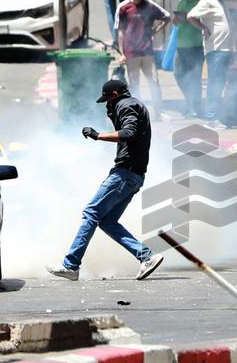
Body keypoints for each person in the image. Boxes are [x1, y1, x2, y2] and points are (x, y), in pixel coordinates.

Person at [48, 79, 164, 282]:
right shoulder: (132, 104)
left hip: (124, 174)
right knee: (107, 221)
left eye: (107, 102)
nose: (108, 108)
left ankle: (71, 265)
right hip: (134, 176)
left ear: (114, 96)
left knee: (91, 212)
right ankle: (146, 257)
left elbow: (129, 132)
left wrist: (98, 135)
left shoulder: (125, 105)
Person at [187, 0, 237, 125]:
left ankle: (216, 116)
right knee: (215, 84)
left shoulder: (220, 2)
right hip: (216, 50)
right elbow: (191, 16)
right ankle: (211, 118)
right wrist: (203, 28)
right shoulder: (208, 0)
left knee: (220, 84)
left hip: (225, 49)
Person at [116, 0, 171, 121]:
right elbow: (121, 32)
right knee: (134, 86)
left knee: (154, 82)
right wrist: (122, 54)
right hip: (131, 53)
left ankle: (159, 113)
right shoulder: (124, 8)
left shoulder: (150, 6)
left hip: (147, 52)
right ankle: (138, 115)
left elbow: (167, 17)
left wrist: (155, 30)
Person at [172, 0, 205, 118]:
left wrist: (186, 17)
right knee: (179, 74)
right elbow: (177, 21)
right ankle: (190, 100)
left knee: (195, 77)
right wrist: (176, 20)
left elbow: (203, 19)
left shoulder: (202, 0)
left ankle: (196, 107)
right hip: (182, 45)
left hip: (196, 46)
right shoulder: (182, 2)